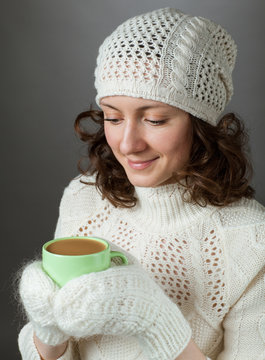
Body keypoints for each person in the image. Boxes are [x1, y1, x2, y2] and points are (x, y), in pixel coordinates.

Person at [17, 7, 265, 360]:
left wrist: (158, 324)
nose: (128, 143)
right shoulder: (83, 200)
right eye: (113, 117)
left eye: (155, 119)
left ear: (202, 125)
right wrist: (48, 337)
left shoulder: (252, 240)